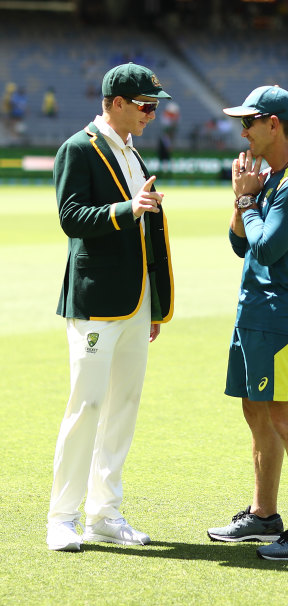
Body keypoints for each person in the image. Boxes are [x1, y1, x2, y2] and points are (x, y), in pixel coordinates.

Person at [47, 63, 174, 552]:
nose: (151, 113)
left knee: (123, 406)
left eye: (154, 106)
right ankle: (61, 517)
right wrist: (129, 209)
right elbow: (71, 217)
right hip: (96, 302)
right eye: (145, 105)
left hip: (135, 303)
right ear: (116, 102)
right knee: (87, 405)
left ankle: (104, 513)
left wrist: (153, 306)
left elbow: (147, 233)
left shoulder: (132, 153)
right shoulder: (78, 148)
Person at [207, 85, 288, 561]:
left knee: (285, 416)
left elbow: (266, 247)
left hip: (282, 316)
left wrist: (246, 201)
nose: (242, 131)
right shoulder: (273, 177)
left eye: (249, 122)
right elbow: (241, 245)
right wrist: (243, 201)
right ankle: (264, 516)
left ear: (273, 124)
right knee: (256, 411)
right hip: (254, 312)